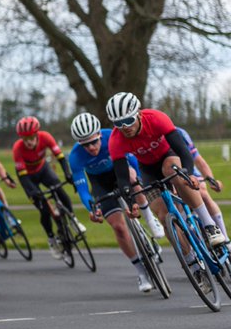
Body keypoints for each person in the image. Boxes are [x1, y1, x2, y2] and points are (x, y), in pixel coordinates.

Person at [106, 92, 228, 251]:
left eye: (128, 120)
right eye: (118, 123)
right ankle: (191, 261)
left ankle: (210, 226)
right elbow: (122, 177)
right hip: (148, 169)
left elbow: (183, 151)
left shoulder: (156, 118)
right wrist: (131, 203)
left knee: (172, 170)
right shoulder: (116, 140)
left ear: (139, 114)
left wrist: (189, 174)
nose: (125, 127)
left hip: (168, 156)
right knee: (164, 217)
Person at [67, 113, 156, 293]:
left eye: (94, 141)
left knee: (133, 178)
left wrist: (138, 179)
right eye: (85, 144)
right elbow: (83, 188)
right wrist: (92, 208)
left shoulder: (113, 136)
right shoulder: (75, 157)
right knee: (119, 228)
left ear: (100, 134)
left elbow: (132, 162)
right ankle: (142, 273)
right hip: (100, 182)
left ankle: (150, 219)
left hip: (120, 171)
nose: (91, 147)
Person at [12, 116, 81, 258]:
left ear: (37, 134)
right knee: (43, 209)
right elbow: (23, 177)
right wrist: (33, 192)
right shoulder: (17, 148)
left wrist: (68, 174)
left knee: (60, 190)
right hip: (27, 177)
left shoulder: (46, 137)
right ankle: (51, 238)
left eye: (31, 137)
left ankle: (73, 220)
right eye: (25, 139)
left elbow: (61, 157)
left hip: (43, 169)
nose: (29, 142)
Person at [177, 127, 225, 238]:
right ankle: (192, 245)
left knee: (203, 192)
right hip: (171, 172)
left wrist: (212, 180)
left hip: (188, 169)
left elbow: (198, 160)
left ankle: (226, 240)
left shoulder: (179, 133)